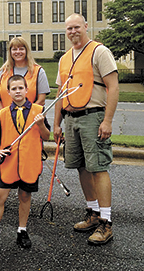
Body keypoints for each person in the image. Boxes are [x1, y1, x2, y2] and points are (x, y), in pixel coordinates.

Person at [53, 14, 119, 245]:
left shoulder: (99, 51)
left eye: (76, 27)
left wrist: (107, 120)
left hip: (93, 117)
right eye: (68, 28)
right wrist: (57, 123)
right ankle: (92, 213)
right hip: (71, 119)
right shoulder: (64, 59)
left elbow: (113, 87)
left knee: (98, 167)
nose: (73, 32)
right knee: (81, 166)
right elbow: (60, 95)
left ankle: (106, 222)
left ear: (85, 27)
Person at [0, 75, 50, 248]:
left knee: (24, 195)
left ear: (26, 89)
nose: (17, 91)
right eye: (13, 89)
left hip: (29, 163)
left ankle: (22, 230)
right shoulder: (3, 113)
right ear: (8, 92)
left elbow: (46, 136)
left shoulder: (39, 111)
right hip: (8, 163)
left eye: (20, 88)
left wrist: (41, 124)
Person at [0, 36, 50, 212]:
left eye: (21, 48)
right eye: (14, 49)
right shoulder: (3, 72)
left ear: (26, 50)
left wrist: (31, 114)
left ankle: (25, 197)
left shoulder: (37, 71)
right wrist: (6, 114)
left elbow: (42, 97)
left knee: (28, 160)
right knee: (3, 160)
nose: (18, 52)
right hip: (8, 123)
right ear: (10, 52)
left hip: (29, 123)